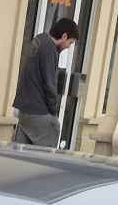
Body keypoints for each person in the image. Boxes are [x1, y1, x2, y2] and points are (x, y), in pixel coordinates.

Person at [14, 16, 80, 148]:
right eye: (70, 43)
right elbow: (50, 85)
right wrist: (54, 111)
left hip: (23, 108)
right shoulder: (49, 49)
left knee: (21, 152)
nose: (68, 47)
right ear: (64, 36)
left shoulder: (39, 40)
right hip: (36, 110)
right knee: (53, 128)